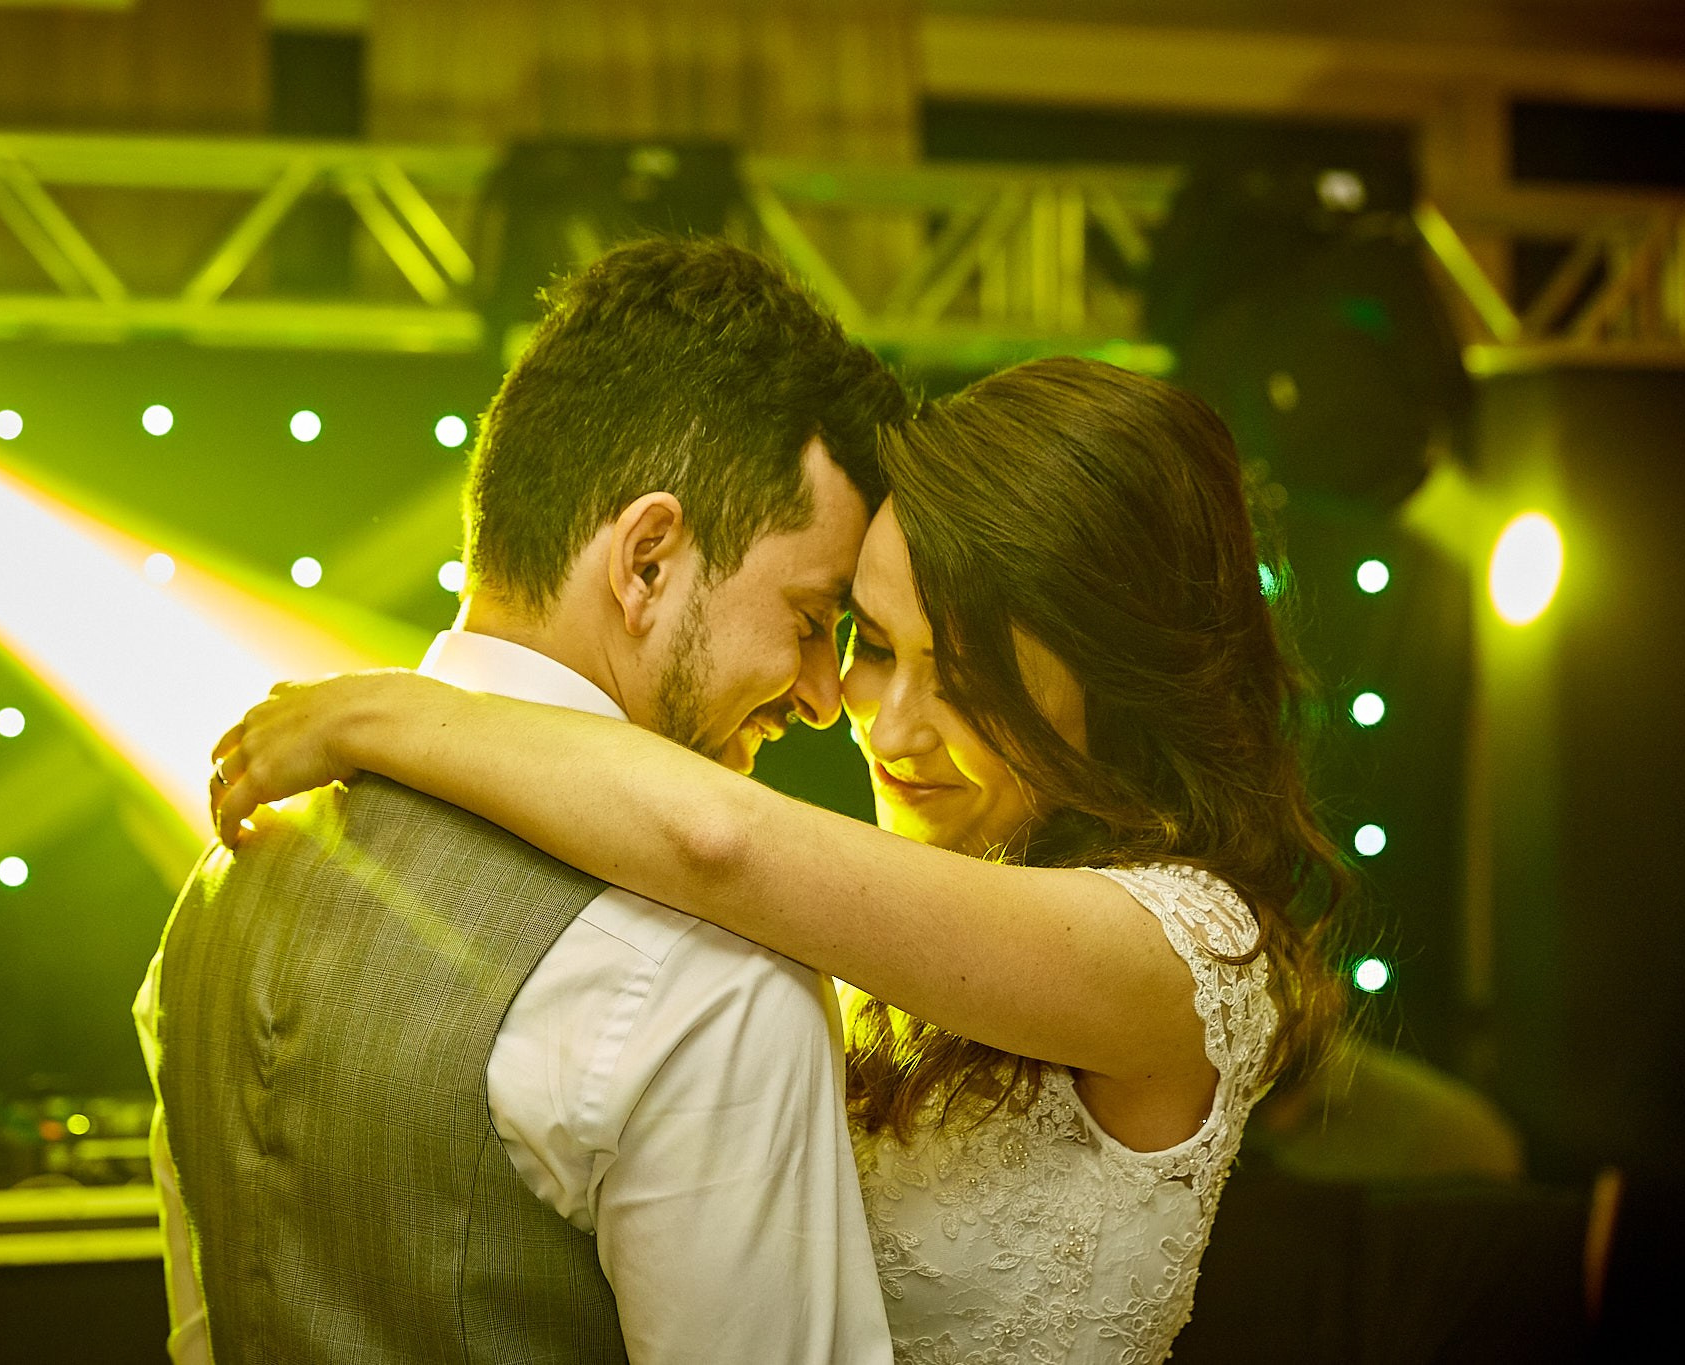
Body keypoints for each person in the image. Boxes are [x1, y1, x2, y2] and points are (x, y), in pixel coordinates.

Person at [210, 357, 1352, 1363]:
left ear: (1114, 681)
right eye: (870, 643)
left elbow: (716, 841)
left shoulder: (1178, 948)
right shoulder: (869, 918)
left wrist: (384, 717)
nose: (886, 725)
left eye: (966, 680)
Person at [133, 236, 912, 1364]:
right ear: (646, 561)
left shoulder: (222, 884)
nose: (822, 698)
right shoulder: (711, 970)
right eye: (807, 620)